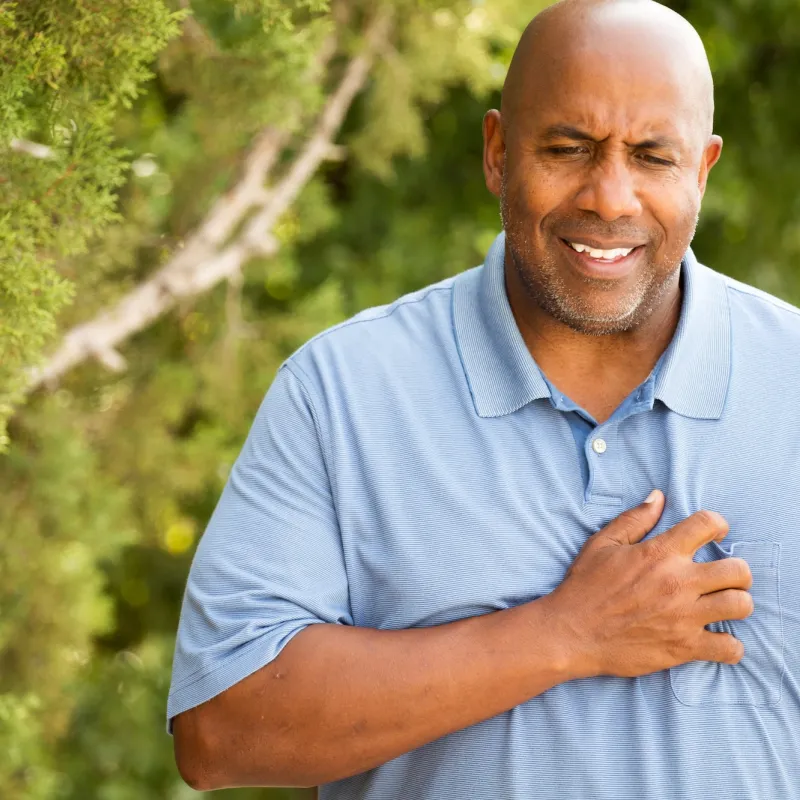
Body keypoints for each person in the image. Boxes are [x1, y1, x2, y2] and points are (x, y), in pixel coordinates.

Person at [168, 1, 799, 797]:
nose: (610, 197)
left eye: (652, 157)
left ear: (701, 170)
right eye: (569, 148)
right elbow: (221, 731)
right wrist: (566, 634)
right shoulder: (344, 392)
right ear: (498, 153)